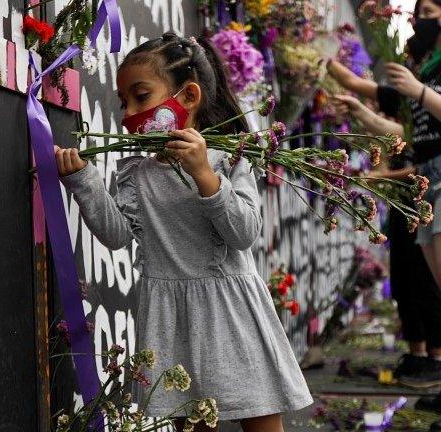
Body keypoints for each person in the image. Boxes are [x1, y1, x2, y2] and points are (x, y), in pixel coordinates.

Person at [54, 32, 312, 432]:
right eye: (124, 103)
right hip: (171, 317)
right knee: (191, 422)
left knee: (260, 418)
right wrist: (84, 181)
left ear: (188, 97)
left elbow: (243, 233)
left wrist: (205, 174)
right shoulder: (136, 176)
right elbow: (117, 236)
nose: (128, 114)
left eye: (141, 97)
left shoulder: (231, 158)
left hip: (232, 313)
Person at [327, 0, 441, 422]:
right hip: (425, 182)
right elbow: (409, 133)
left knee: (430, 287)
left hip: (430, 182)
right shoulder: (425, 69)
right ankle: (425, 361)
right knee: (420, 280)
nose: (420, 22)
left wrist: (418, 91)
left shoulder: (423, 80)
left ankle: (431, 357)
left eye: (429, 12)